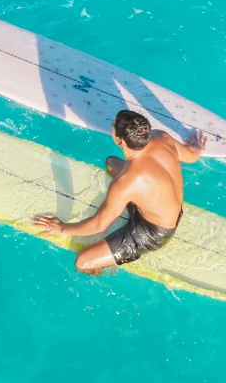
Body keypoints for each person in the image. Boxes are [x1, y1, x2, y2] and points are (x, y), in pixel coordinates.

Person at [32, 109, 206, 275]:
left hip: (154, 232)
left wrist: (61, 228)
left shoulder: (124, 183)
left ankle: (112, 260)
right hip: (168, 209)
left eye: (113, 126)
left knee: (83, 261)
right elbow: (192, 155)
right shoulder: (162, 137)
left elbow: (98, 225)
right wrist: (197, 147)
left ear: (120, 141)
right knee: (112, 163)